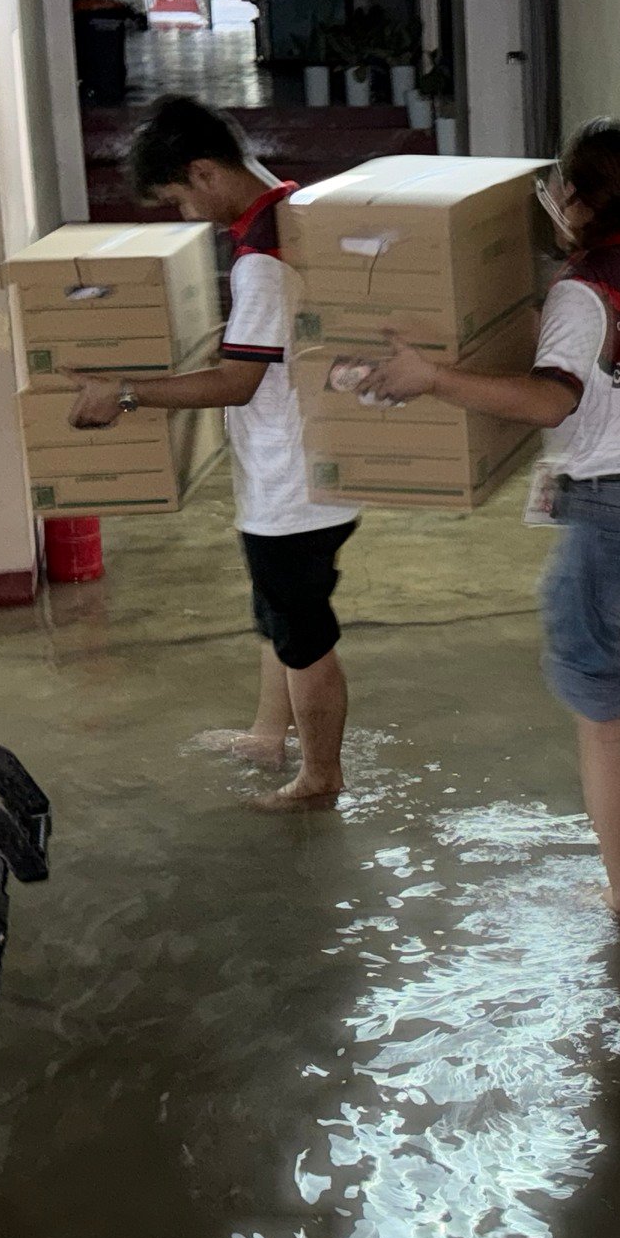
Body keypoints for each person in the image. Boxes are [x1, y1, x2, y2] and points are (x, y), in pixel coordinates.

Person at [361, 118, 620, 923]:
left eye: (561, 184)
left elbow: (551, 398)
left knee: (604, 724)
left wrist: (433, 379)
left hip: (618, 525)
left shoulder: (583, 287)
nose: (552, 197)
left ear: (584, 197)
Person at [67, 97, 362, 811]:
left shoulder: (263, 260)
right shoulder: (292, 212)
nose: (184, 214)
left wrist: (126, 394)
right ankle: (269, 734)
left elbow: (237, 381)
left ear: (204, 172)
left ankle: (321, 777)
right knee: (276, 613)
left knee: (303, 633)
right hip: (303, 463)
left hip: (294, 480)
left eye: (178, 198)